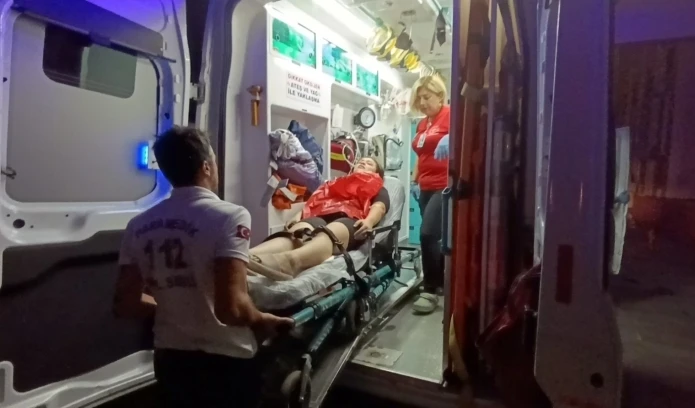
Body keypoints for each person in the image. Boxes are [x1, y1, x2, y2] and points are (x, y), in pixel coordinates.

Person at [112, 126, 293, 408]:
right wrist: (262, 321)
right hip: (225, 361)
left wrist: (177, 305)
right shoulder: (230, 216)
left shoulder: (138, 226)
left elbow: (125, 304)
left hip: (171, 358)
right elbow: (231, 309)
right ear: (207, 166)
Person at [246, 157, 389, 280]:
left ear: (377, 173)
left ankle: (290, 262)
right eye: (361, 161)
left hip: (350, 219)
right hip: (320, 215)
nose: (363, 163)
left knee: (328, 233)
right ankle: (247, 256)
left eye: (369, 163)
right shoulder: (335, 183)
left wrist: (369, 221)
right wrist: (297, 216)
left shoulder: (377, 187)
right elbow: (314, 202)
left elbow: (380, 206)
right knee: (296, 234)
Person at [409, 74, 450, 314]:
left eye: (427, 97)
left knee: (427, 233)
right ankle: (441, 280)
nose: (423, 103)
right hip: (424, 185)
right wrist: (414, 180)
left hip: (444, 184)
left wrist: (451, 136)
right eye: (419, 99)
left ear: (440, 95)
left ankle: (430, 289)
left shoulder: (451, 115)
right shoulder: (423, 124)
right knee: (436, 236)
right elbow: (420, 156)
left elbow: (469, 138)